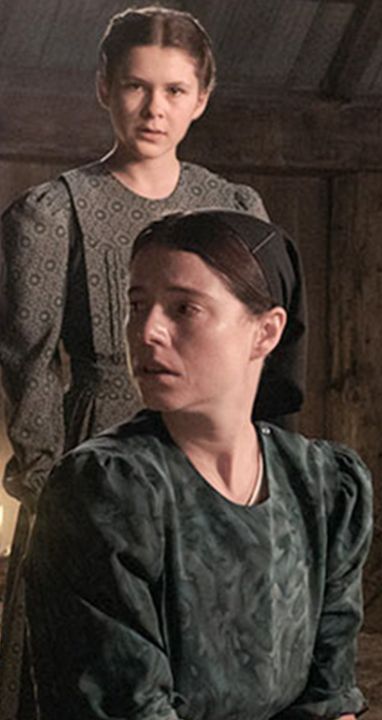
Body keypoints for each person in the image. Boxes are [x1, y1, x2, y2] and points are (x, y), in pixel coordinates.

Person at [0, 8, 269, 714]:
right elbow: (28, 361)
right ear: (103, 88)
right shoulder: (55, 210)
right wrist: (51, 483)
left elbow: (252, 355)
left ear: (202, 98)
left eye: (175, 90)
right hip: (93, 448)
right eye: (135, 86)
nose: (154, 108)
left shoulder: (232, 207)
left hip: (208, 460)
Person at [24, 211, 366, 719]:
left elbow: (329, 697)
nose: (147, 331)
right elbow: (125, 708)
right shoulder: (108, 490)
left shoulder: (322, 486)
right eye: (137, 306)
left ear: (266, 332)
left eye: (184, 308)